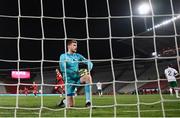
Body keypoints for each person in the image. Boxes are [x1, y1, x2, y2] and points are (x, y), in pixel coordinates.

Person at [58, 39, 93, 107]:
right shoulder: (63, 56)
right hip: (69, 81)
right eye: (74, 45)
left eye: (76, 45)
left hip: (77, 78)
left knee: (88, 77)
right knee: (71, 105)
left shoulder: (77, 56)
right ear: (69, 46)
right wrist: (74, 72)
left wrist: (88, 68)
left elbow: (89, 62)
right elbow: (62, 69)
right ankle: (64, 101)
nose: (76, 47)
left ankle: (88, 102)